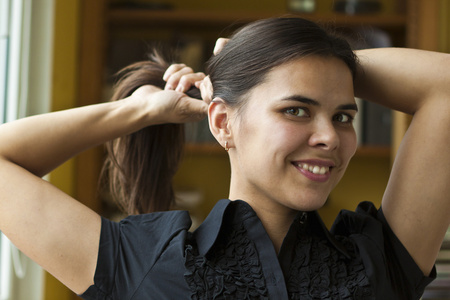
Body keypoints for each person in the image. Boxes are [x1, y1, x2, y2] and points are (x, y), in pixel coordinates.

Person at [0, 17, 449, 299]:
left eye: (343, 115)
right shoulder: (141, 265)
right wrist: (137, 110)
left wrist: (287, 59)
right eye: (296, 109)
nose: (330, 137)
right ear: (221, 123)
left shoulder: (382, 259)